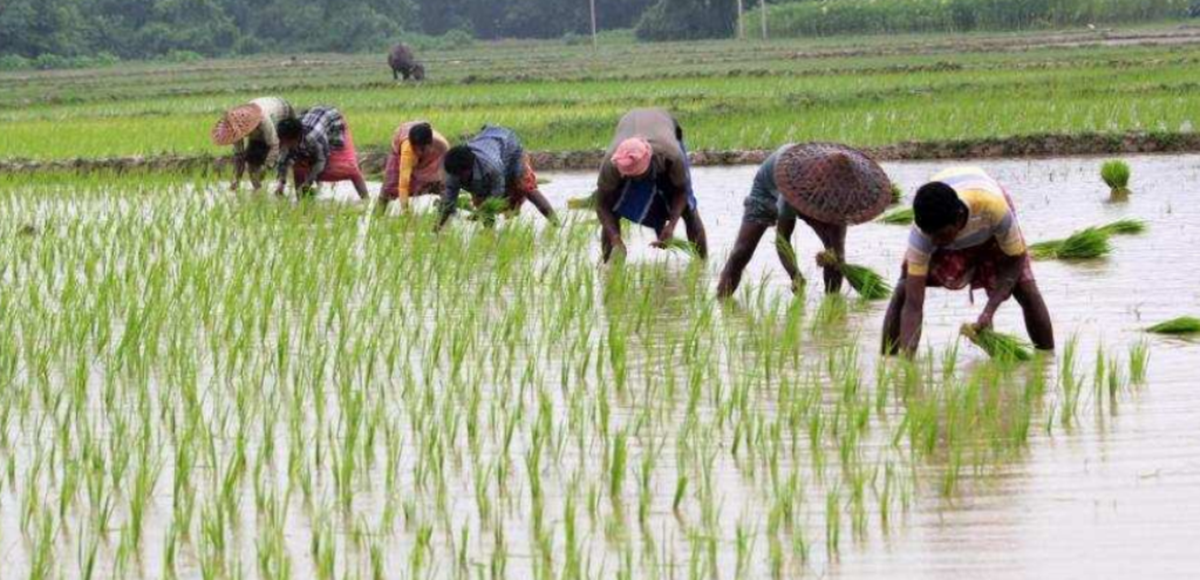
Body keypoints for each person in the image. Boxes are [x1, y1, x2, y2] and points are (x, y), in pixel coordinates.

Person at [881, 166, 1055, 357]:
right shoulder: (923, 235)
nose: (934, 243)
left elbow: (1016, 259)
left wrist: (989, 311)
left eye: (941, 235)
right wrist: (906, 368)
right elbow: (914, 304)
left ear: (958, 219)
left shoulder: (994, 208)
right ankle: (888, 358)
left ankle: (1048, 360)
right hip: (948, 210)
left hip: (987, 217)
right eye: (930, 236)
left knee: (1026, 288)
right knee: (904, 289)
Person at [717, 143, 893, 298]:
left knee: (835, 255)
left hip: (817, 192)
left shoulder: (841, 198)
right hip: (767, 188)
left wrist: (833, 257)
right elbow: (782, 240)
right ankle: (722, 300)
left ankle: (831, 303)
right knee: (742, 251)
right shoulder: (794, 188)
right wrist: (794, 274)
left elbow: (837, 254)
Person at [595, 108, 708, 261]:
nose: (635, 181)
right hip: (629, 122)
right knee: (612, 211)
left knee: (689, 209)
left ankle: (702, 265)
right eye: (630, 176)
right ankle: (609, 265)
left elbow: (682, 191)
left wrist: (671, 226)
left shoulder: (671, 155)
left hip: (664, 124)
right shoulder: (611, 163)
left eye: (639, 174)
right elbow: (602, 204)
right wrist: (616, 240)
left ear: (649, 160)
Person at [437, 125, 557, 229]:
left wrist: (481, 212)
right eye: (455, 176)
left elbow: (497, 194)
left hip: (509, 148)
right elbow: (448, 202)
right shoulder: (453, 173)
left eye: (460, 176)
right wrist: (437, 228)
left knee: (525, 187)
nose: (458, 179)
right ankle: (489, 236)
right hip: (489, 145)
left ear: (469, 169)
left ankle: (556, 224)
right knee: (480, 198)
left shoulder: (491, 167)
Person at [275, 106, 369, 200]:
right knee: (298, 163)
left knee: (341, 157)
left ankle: (366, 199)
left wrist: (309, 181)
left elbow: (321, 160)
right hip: (311, 118)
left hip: (332, 119)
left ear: (297, 138)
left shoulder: (314, 138)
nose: (284, 145)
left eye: (287, 142)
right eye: (282, 142)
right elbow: (283, 159)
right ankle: (302, 201)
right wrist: (281, 183)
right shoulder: (286, 140)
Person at [211, 97, 294, 191]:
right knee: (252, 161)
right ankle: (258, 189)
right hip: (259, 128)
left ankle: (281, 184)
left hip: (283, 113)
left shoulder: (263, 120)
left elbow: (274, 145)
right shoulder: (235, 128)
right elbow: (239, 155)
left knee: (284, 154)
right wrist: (236, 180)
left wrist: (267, 166)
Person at [378, 121, 449, 213]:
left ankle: (443, 208)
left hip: (428, 147)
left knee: (438, 184)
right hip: (402, 146)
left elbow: (448, 169)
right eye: (415, 149)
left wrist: (445, 188)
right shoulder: (407, 150)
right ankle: (377, 216)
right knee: (389, 186)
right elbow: (403, 185)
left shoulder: (442, 145)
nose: (418, 152)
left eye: (422, 149)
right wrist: (405, 211)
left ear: (430, 144)